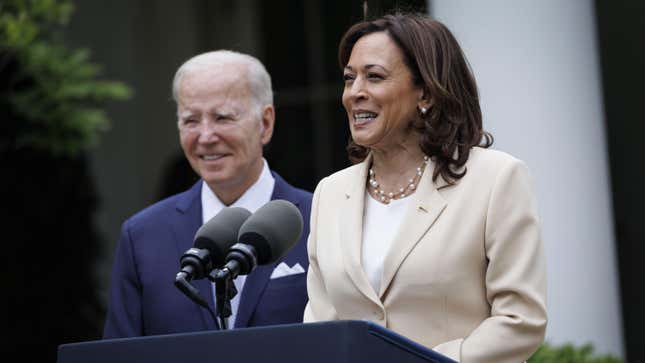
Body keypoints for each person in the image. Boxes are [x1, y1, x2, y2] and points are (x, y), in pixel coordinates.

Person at [303, 13, 546, 363]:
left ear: (427, 93)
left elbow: (521, 320)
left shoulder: (497, 179)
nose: (355, 93)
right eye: (349, 79)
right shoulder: (329, 193)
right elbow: (321, 326)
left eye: (374, 77)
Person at [103, 50, 312, 338]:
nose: (206, 136)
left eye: (223, 118)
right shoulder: (142, 235)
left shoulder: (322, 218)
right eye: (190, 121)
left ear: (265, 123)